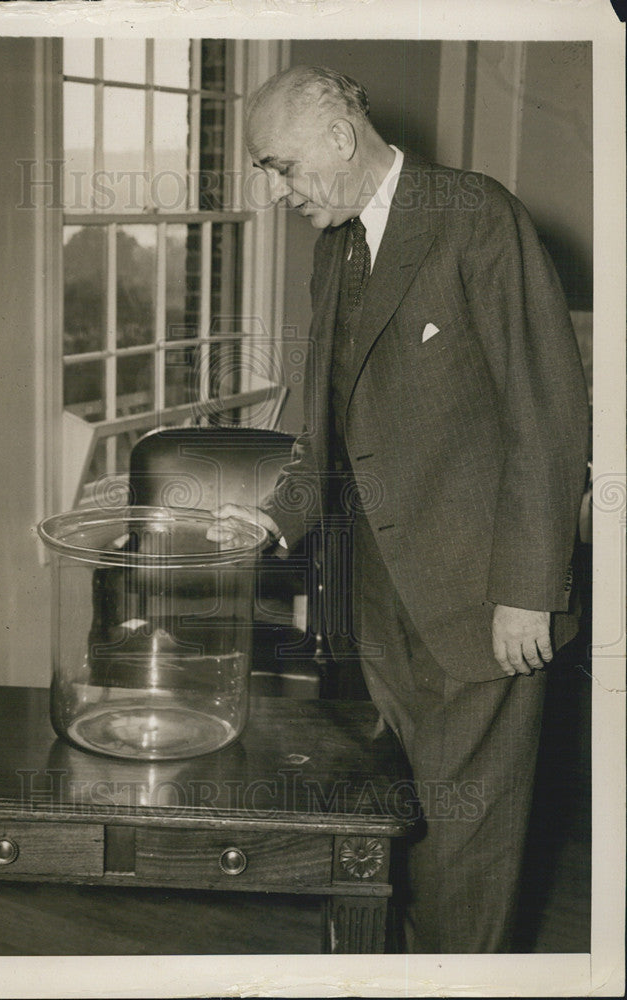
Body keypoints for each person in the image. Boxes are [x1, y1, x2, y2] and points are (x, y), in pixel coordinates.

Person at [211, 65, 590, 953]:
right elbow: (327, 425)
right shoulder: (335, 244)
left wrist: (528, 588)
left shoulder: (474, 217)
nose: (274, 192)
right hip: (382, 604)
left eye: (279, 167)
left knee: (469, 849)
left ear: (338, 141)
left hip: (483, 601)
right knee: (411, 823)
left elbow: (546, 410)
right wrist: (268, 519)